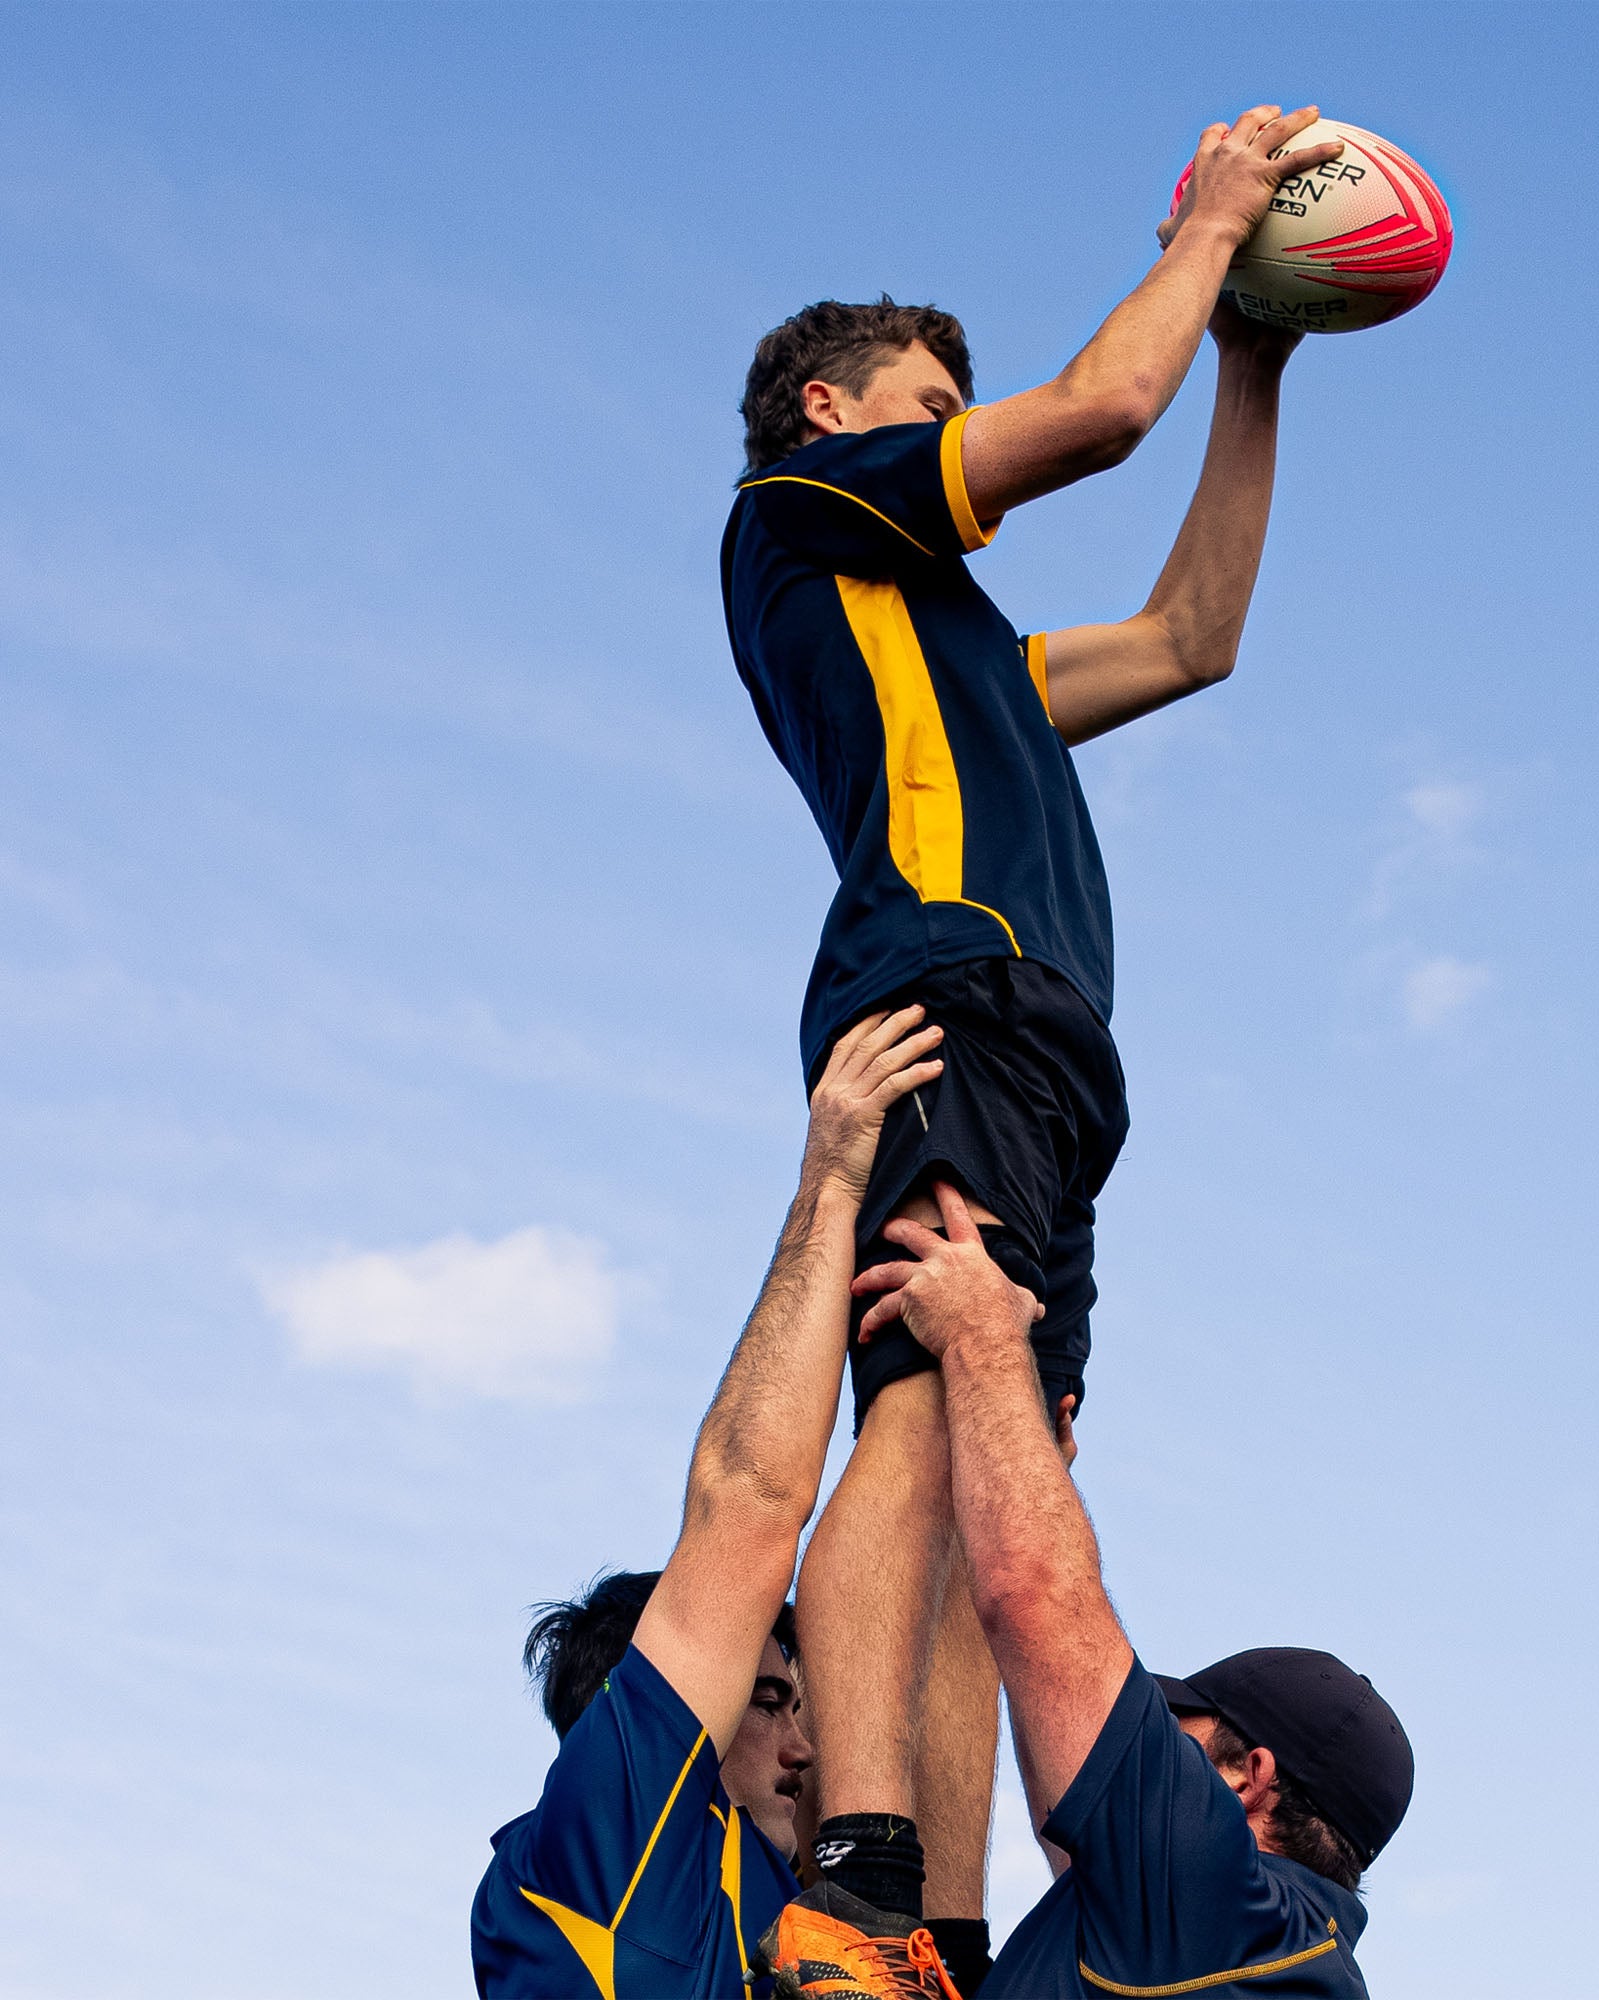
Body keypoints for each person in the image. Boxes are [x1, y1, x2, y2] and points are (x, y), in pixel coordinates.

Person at [720, 104, 1347, 1952]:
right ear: (838, 414)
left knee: (1010, 1487)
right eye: (921, 396)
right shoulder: (806, 517)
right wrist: (1216, 230)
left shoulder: (966, 645)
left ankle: (949, 1939)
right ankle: (859, 1879)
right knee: (916, 1419)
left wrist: (1254, 362)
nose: (943, 423)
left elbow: (1190, 636)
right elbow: (1095, 411)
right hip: (950, 998)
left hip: (1055, 1053)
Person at [770, 1183, 1415, 1996]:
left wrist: (982, 1344)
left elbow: (1036, 1601)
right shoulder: (1261, 1949)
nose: (1135, 1743)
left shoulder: (1221, 1904)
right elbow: (1063, 1758)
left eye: (1173, 1737)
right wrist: (1007, 1460)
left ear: (1247, 1779)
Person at [470, 1008, 952, 1999]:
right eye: (770, 1702)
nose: (802, 1742)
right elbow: (749, 1505)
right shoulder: (615, 1822)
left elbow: (904, 1728)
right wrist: (832, 1180)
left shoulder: (771, 1901)